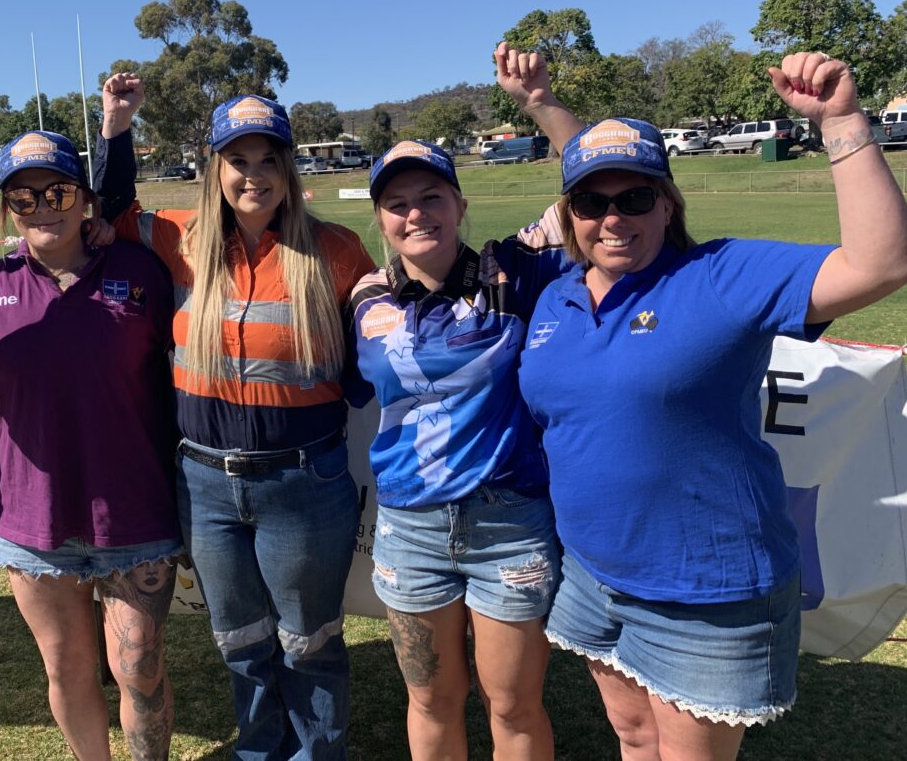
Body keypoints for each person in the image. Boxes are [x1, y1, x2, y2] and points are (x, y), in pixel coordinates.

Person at [514, 52, 907, 760]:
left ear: (668, 203)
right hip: (593, 574)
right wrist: (545, 105)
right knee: (633, 739)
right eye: (591, 203)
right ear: (568, 214)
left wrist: (843, 122)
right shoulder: (557, 296)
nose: (612, 219)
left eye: (634, 199)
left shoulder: (719, 276)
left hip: (705, 591)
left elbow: (881, 265)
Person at [91, 78, 375, 760]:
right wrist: (116, 125)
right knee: (241, 642)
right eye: (238, 160)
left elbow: (374, 356)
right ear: (215, 169)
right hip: (206, 485)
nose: (253, 175)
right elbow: (109, 211)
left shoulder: (335, 251)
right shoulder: (179, 239)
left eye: (268, 159)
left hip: (303, 484)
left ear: (288, 169)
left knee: (308, 643)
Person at [0, 129, 181, 761]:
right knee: (67, 670)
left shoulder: (137, 270)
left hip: (133, 515)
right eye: (24, 197)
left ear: (85, 198)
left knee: (139, 672)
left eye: (58, 190)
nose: (44, 206)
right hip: (32, 523)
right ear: (6, 209)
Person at [346, 75, 579, 760]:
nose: (416, 214)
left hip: (509, 525)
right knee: (431, 700)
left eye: (431, 198)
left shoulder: (514, 270)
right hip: (411, 529)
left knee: (511, 704)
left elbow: (585, 183)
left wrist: (540, 104)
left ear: (458, 204)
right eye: (397, 204)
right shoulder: (361, 299)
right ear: (381, 219)